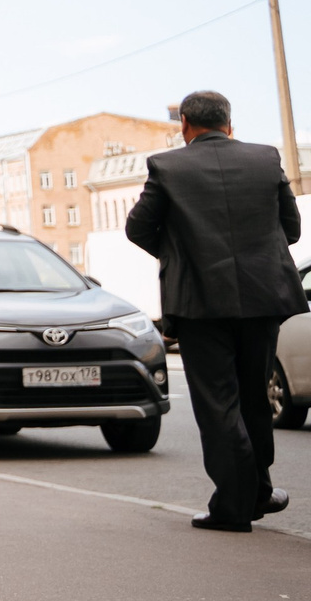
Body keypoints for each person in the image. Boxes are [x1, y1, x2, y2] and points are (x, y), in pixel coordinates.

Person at [125, 90, 306, 531]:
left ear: (184, 122)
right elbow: (293, 229)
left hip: (200, 303)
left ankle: (234, 506)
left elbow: (137, 228)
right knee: (253, 400)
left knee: (218, 405)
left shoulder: (167, 166)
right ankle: (257, 493)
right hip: (263, 298)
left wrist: (182, 257)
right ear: (229, 123)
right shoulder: (266, 159)